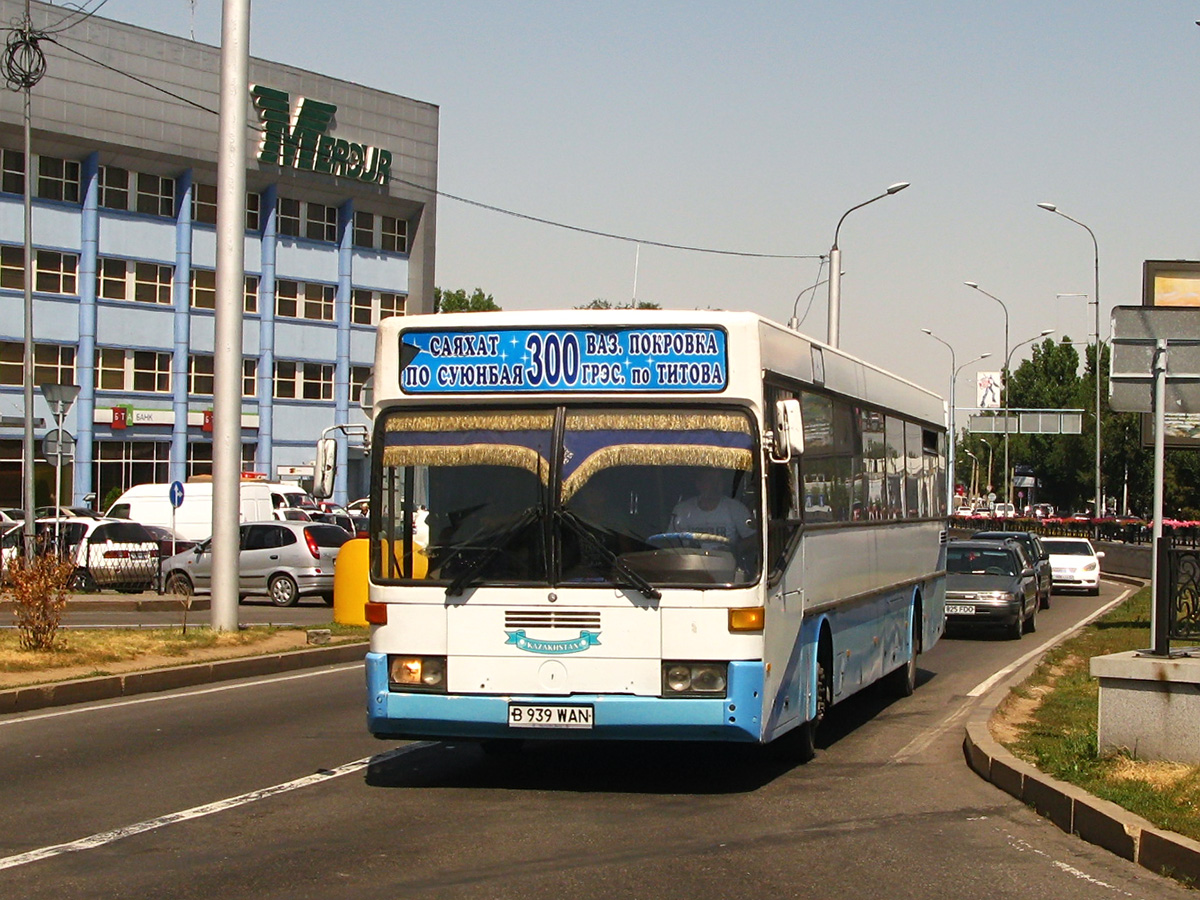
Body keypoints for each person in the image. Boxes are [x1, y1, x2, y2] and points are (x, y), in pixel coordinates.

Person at [669, 469, 756, 550]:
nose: (715, 485)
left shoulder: (736, 508)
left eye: (718, 480)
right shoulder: (682, 510)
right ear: (699, 484)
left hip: (726, 564)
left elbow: (753, 538)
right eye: (709, 480)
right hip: (689, 563)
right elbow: (670, 541)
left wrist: (733, 550)